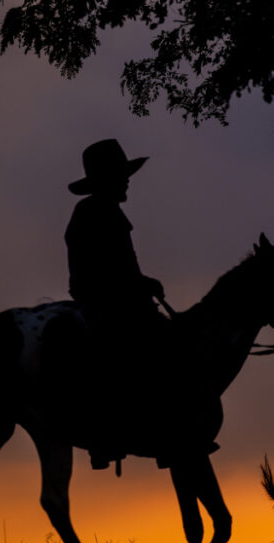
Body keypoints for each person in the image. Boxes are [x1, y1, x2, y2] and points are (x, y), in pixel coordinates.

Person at [63, 139, 169, 470]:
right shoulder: (95, 212)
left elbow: (121, 267)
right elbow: (110, 268)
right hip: (105, 302)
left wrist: (140, 282)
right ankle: (127, 433)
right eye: (121, 176)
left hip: (115, 298)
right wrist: (141, 283)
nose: (127, 181)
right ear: (106, 179)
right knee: (144, 353)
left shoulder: (103, 211)